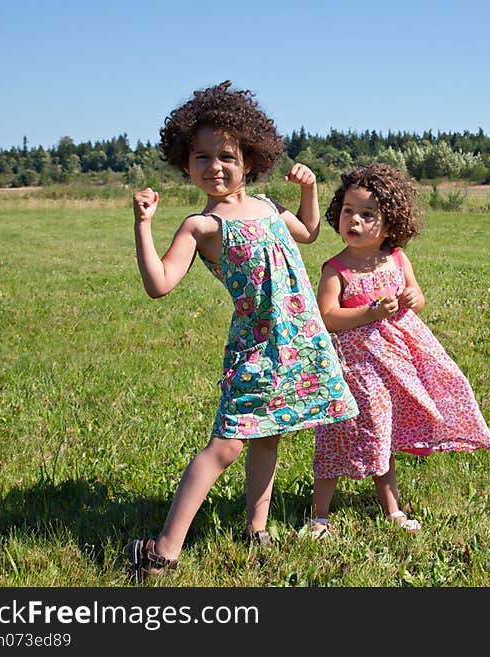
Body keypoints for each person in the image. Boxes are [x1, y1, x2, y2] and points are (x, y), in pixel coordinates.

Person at [127, 81, 357, 581]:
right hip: (256, 348)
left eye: (226, 156)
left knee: (268, 437)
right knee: (226, 445)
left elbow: (309, 232)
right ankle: (162, 550)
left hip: (297, 341)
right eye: (201, 157)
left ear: (249, 160)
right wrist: (143, 225)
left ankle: (257, 530)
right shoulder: (201, 227)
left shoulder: (271, 209)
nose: (214, 166)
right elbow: (159, 284)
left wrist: (309, 191)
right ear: (185, 165)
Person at [309, 163, 490, 538]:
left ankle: (391, 508)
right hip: (354, 368)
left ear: (390, 224)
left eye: (367, 214)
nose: (354, 220)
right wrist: (370, 312)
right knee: (335, 436)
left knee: (383, 434)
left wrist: (413, 297)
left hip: (395, 365)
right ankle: (319, 515)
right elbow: (326, 317)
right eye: (348, 211)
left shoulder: (396, 258)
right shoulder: (336, 269)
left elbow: (418, 298)